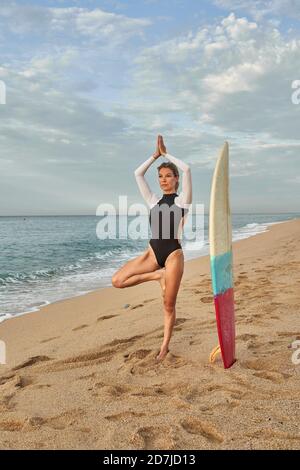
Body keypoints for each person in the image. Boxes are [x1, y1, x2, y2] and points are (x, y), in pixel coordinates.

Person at [111, 135, 192, 362]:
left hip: (173, 255)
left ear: (175, 179)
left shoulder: (182, 201)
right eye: (160, 177)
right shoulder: (153, 201)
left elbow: (187, 169)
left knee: (168, 304)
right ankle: (157, 275)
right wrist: (154, 156)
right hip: (152, 253)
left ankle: (164, 346)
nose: (163, 180)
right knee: (117, 281)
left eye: (168, 176)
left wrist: (166, 154)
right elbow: (137, 173)